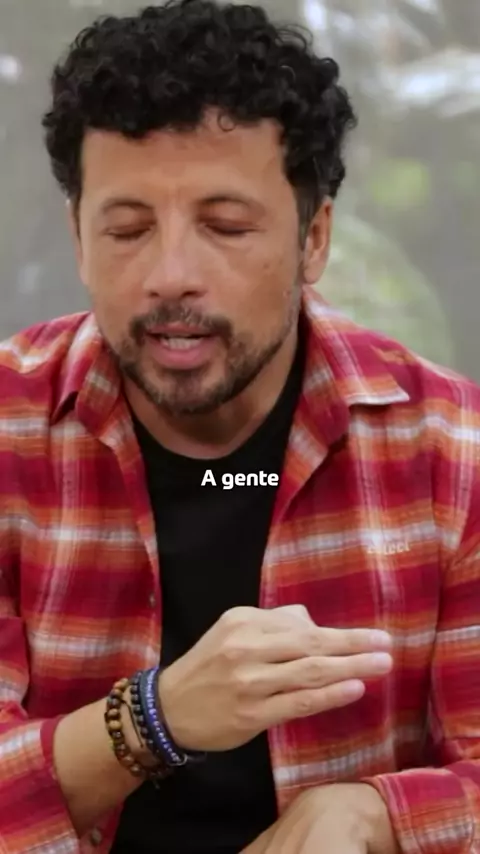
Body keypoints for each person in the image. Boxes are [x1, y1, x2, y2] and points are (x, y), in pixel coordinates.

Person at [0, 0, 479, 852]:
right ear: (77, 237)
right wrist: (152, 720)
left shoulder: (451, 449)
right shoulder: (10, 429)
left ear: (314, 238)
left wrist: (372, 816)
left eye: (225, 227)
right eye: (126, 229)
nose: (170, 275)